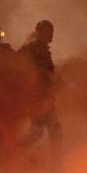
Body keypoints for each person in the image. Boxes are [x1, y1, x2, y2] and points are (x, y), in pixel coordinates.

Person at [18, 20, 62, 155]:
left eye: (52, 32)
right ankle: (13, 150)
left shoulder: (39, 48)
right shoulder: (34, 48)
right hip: (38, 96)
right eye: (49, 32)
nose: (52, 35)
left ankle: (14, 150)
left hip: (43, 95)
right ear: (40, 32)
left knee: (42, 131)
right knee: (45, 130)